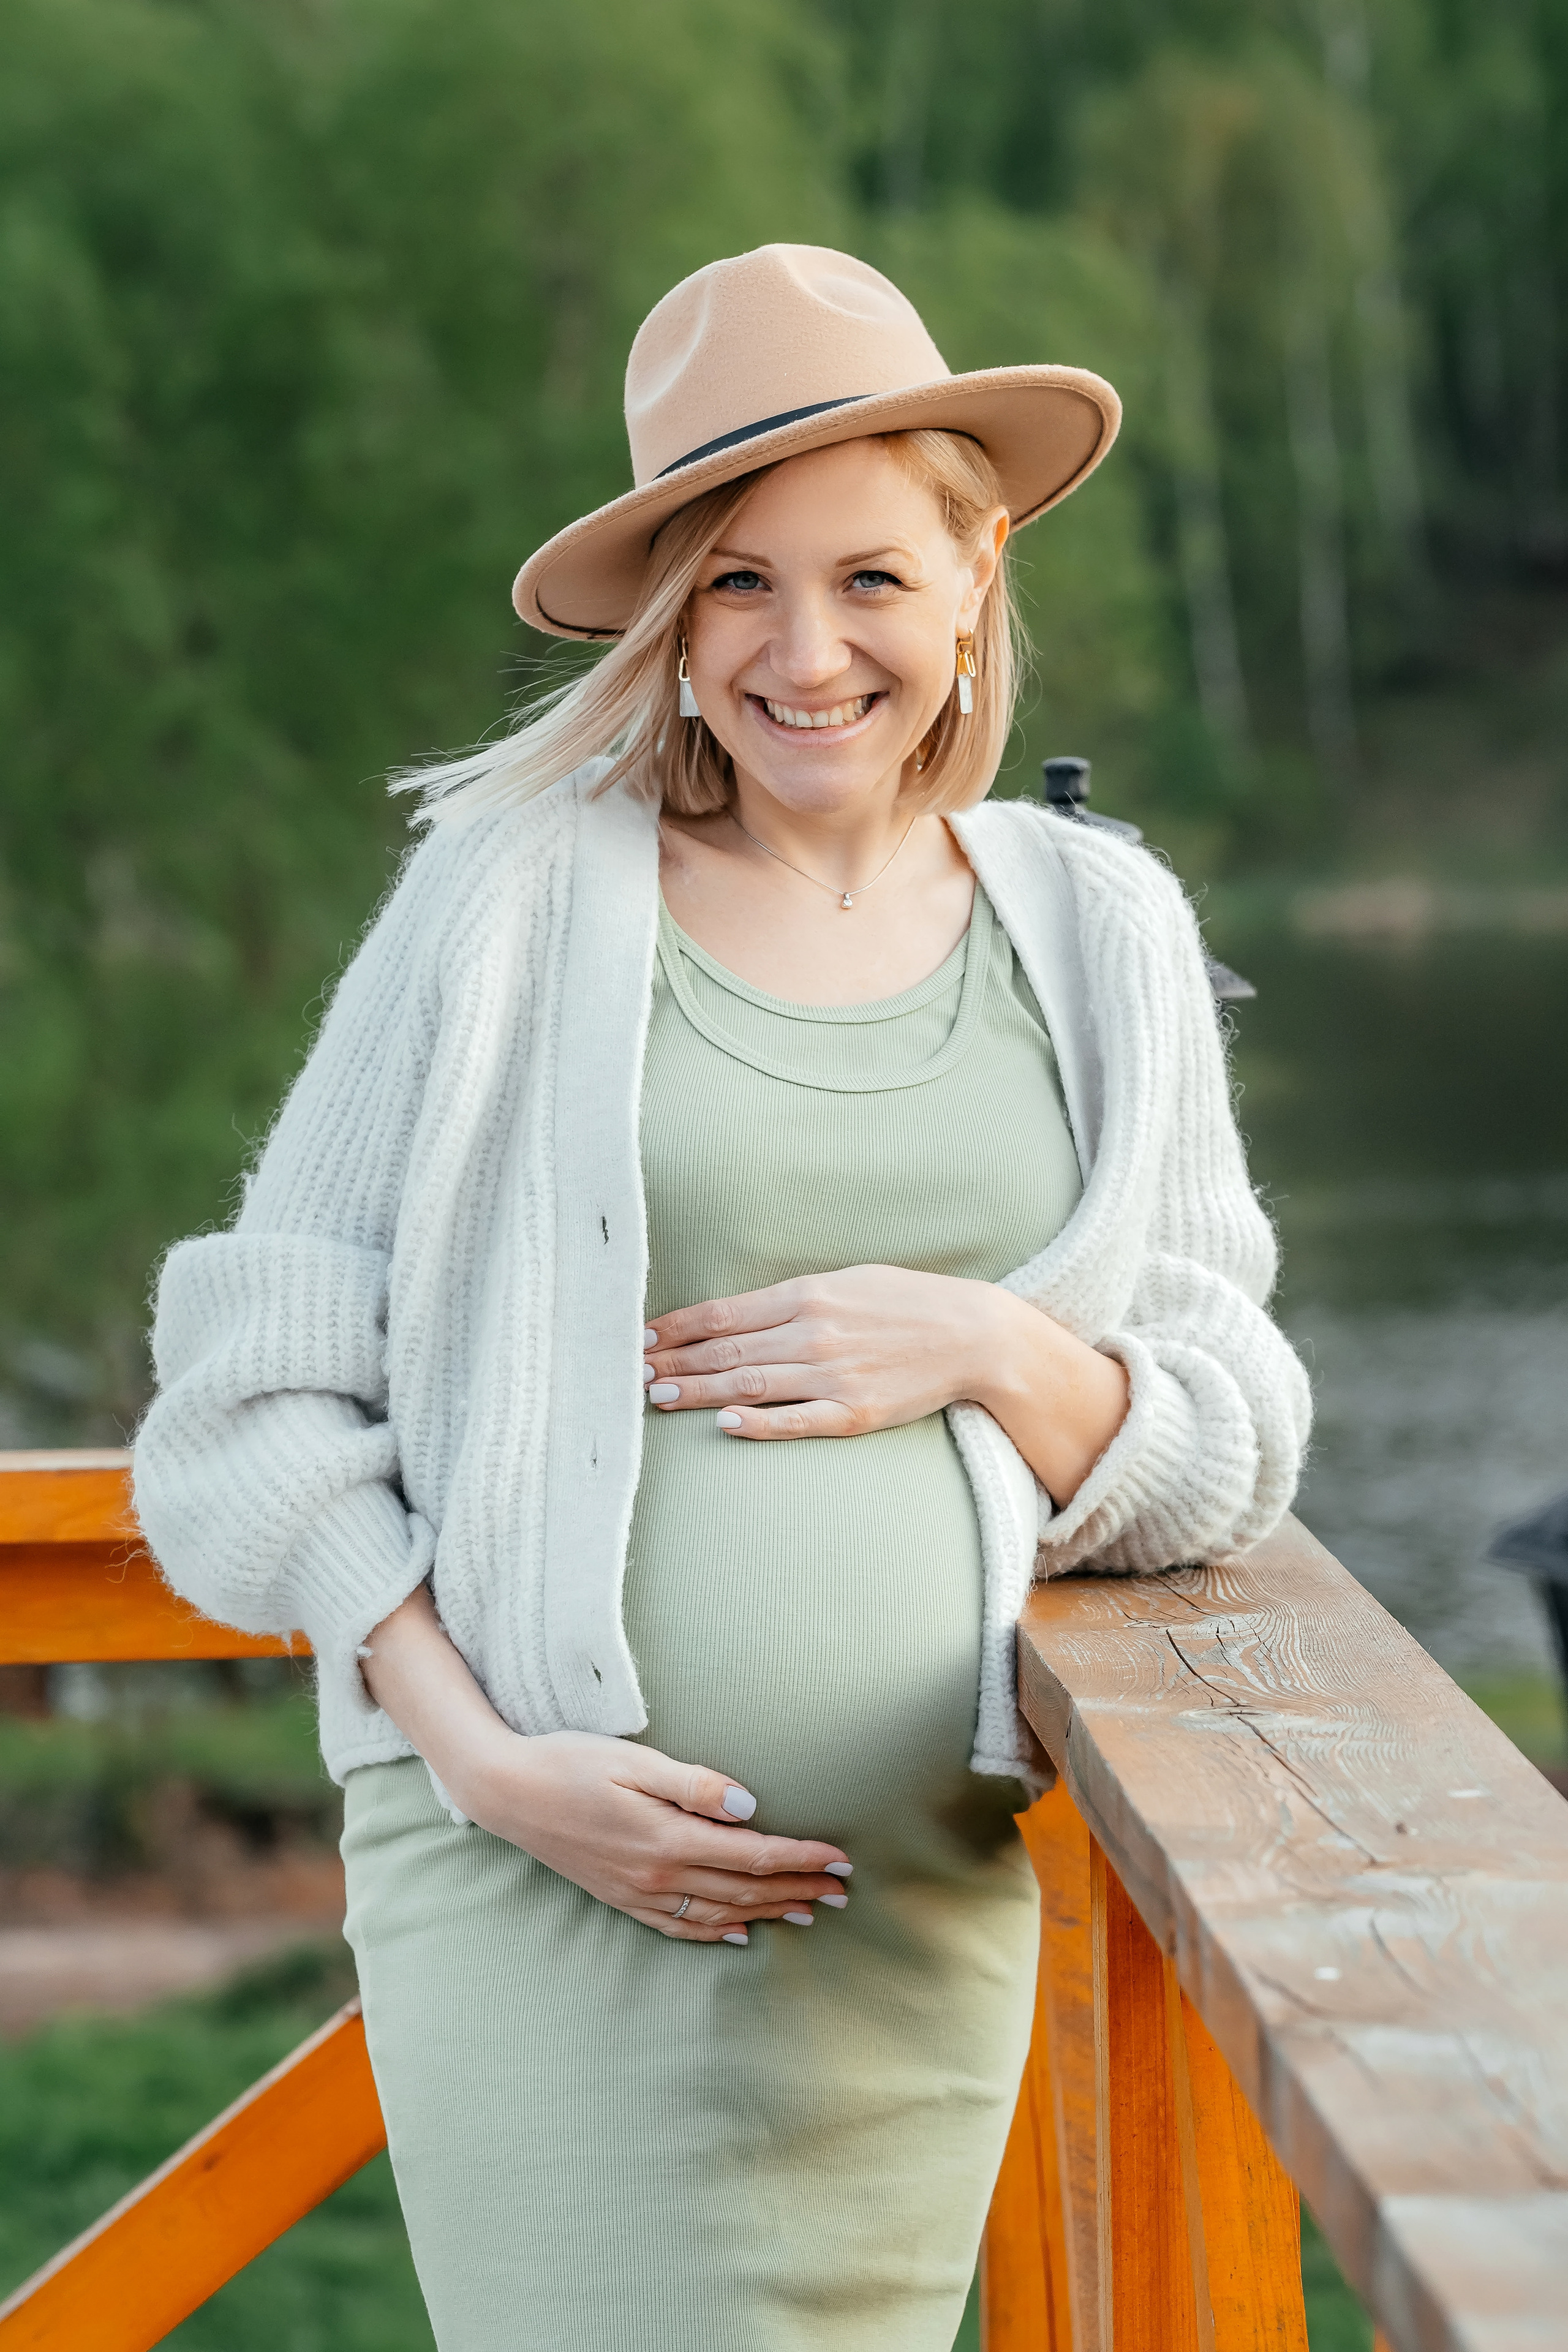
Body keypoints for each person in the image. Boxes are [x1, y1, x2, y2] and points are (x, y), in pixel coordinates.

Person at [134, 244, 1311, 2352]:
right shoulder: (509, 892)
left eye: (870, 578)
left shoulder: (1105, 929)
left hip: (908, 1926)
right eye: (741, 584)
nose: (806, 649)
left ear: (977, 576)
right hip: (539, 1894)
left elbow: (1229, 1423)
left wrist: (993, 1348)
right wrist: (487, 1759)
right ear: (673, 624)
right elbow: (251, 1391)